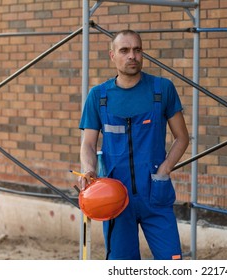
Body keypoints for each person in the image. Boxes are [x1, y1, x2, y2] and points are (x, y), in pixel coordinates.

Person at [78, 29, 189, 260]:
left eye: (137, 50)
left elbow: (182, 137)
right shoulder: (98, 96)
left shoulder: (162, 89)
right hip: (115, 197)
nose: (132, 56)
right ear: (112, 55)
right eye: (125, 50)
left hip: (155, 193)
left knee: (173, 263)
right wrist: (89, 170)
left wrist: (165, 169)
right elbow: (88, 143)